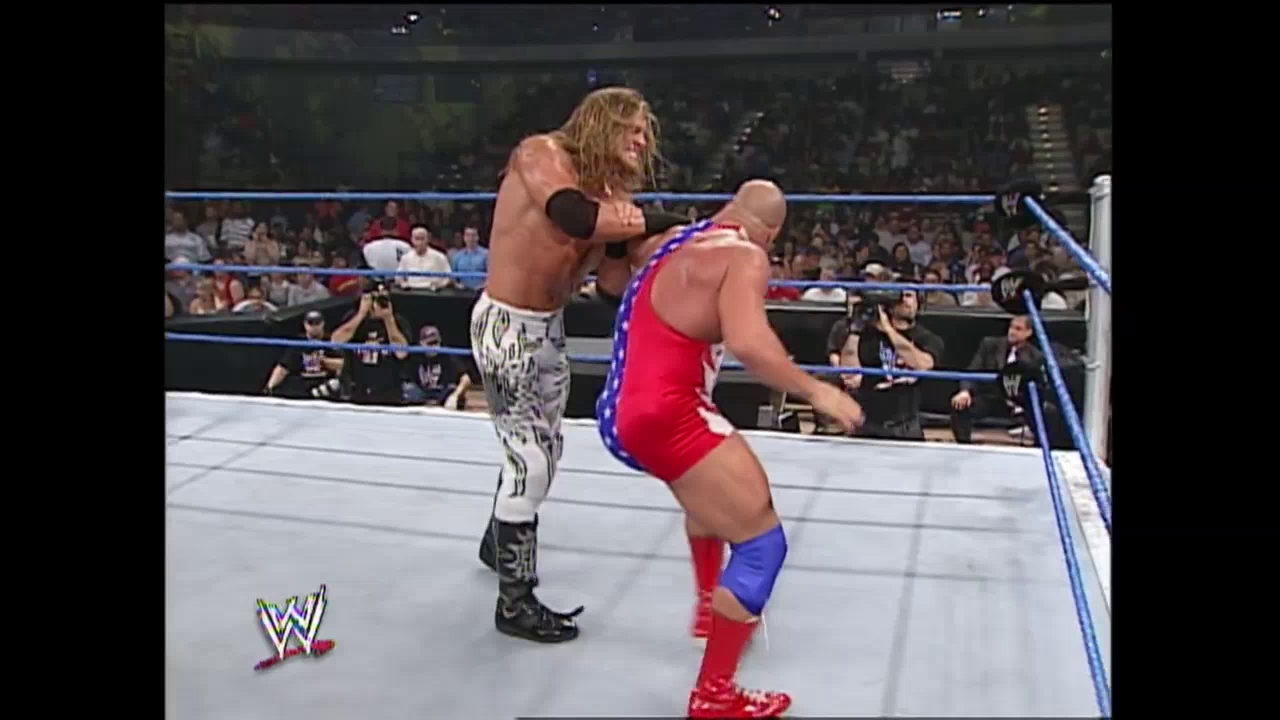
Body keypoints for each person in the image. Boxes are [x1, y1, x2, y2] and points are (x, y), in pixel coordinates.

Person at [596, 180, 865, 718]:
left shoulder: (671, 241)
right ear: (771, 233)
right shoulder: (744, 256)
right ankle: (714, 694)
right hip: (668, 413)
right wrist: (817, 391)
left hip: (621, 406)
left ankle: (707, 607)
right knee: (762, 544)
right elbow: (748, 342)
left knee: (712, 501)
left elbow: (610, 279)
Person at [470, 86, 693, 643]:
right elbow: (572, 215)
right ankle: (514, 603)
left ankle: (498, 541)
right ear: (601, 123)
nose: (641, 140)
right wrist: (656, 218)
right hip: (505, 325)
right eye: (631, 128)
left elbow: (611, 288)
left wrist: (647, 248)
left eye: (645, 132)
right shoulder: (540, 154)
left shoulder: (612, 196)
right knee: (530, 460)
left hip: (549, 329)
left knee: (544, 449)